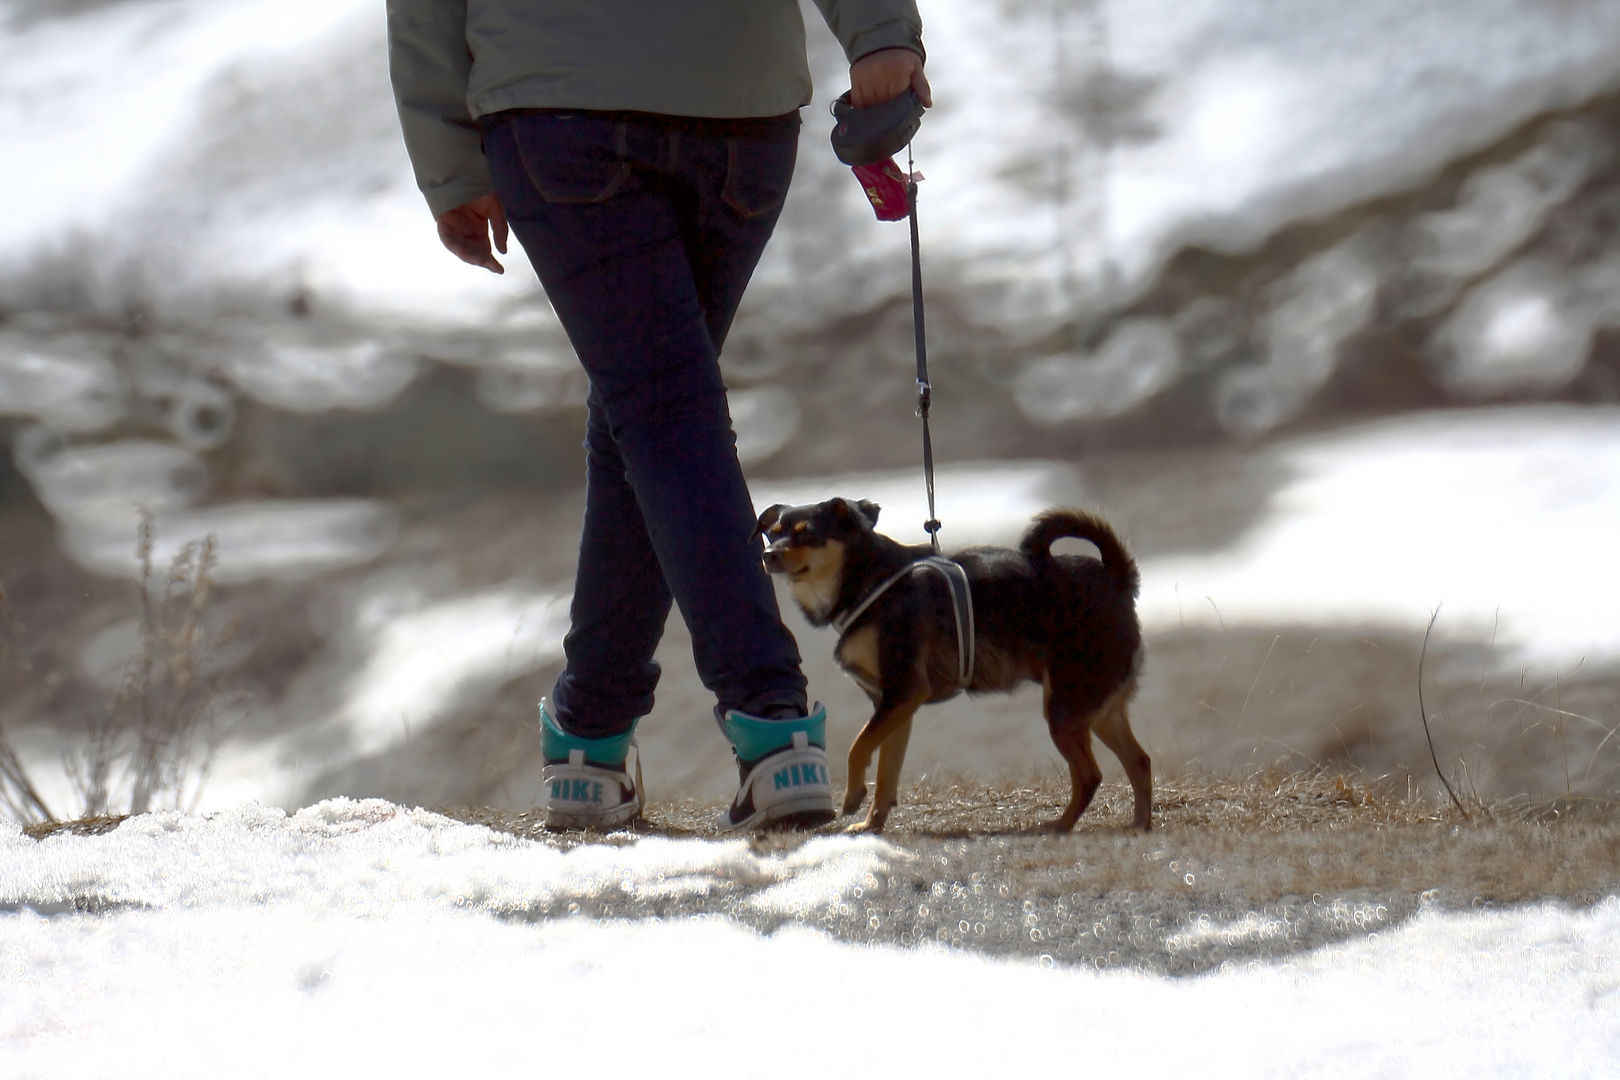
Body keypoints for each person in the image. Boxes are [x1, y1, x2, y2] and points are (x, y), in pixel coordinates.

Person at [387, 0, 929, 830]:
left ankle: (772, 725)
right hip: (738, 117)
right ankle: (589, 744)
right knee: (648, 412)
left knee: (660, 411)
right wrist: (880, 33)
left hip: (559, 114)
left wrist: (450, 165)